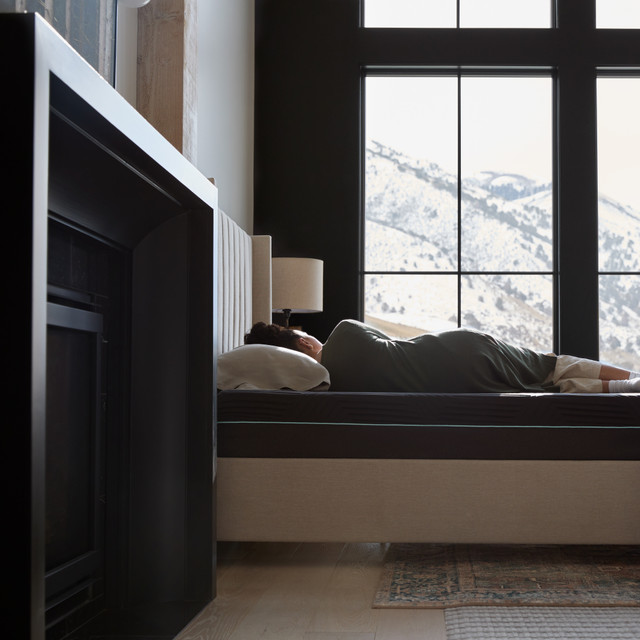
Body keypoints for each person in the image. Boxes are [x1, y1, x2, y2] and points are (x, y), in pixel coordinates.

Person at [244, 319, 640, 394]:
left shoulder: (330, 386)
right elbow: (393, 343)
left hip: (456, 384)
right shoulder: (344, 331)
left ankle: (623, 387)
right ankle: (632, 381)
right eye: (305, 333)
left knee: (544, 386)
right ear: (303, 344)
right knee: (549, 365)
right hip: (457, 349)